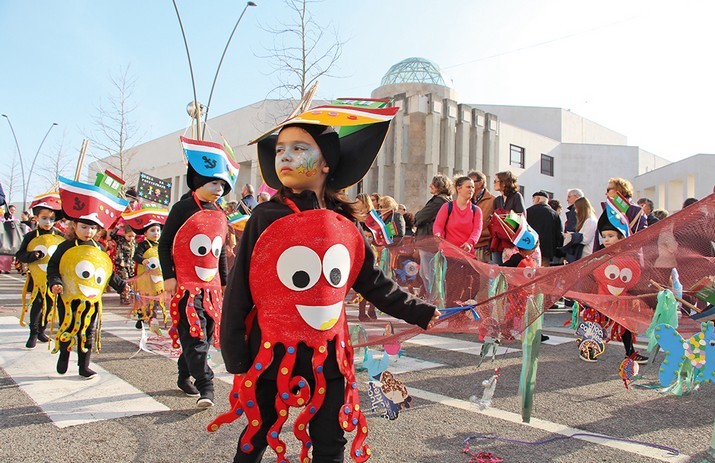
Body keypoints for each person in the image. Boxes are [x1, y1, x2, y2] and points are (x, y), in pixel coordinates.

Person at [218, 102, 439, 463]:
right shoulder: (265, 215)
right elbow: (241, 286)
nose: (285, 157)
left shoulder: (345, 224)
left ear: (325, 164)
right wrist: (235, 352)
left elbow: (375, 283)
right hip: (272, 351)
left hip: (328, 355)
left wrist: (425, 313)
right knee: (257, 433)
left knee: (330, 438)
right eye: (279, 150)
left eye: (298, 148)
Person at [159, 136, 234, 407]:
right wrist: (169, 276)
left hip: (212, 289)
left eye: (223, 185)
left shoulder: (220, 213)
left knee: (201, 334)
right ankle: (207, 386)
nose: (219, 188)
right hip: (186, 288)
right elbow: (165, 242)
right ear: (198, 181)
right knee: (195, 335)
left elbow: (220, 251)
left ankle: (183, 374)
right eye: (214, 182)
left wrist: (224, 283)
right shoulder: (182, 208)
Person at [48, 176, 130, 379]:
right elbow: (53, 267)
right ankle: (64, 355)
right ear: (74, 226)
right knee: (67, 326)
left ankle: (84, 366)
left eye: (93, 228)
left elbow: (106, 272)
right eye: (84, 227)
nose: (88, 231)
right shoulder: (65, 246)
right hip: (68, 297)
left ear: (98, 230)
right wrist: (55, 283)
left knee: (88, 330)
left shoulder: (99, 248)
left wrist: (121, 286)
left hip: (91, 300)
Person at [592, 203, 648, 364]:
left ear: (621, 237)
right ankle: (590, 349)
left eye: (611, 236)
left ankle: (629, 352)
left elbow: (634, 275)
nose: (606, 239)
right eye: (604, 236)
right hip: (603, 298)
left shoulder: (629, 255)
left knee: (625, 325)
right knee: (598, 325)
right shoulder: (601, 255)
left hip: (622, 299)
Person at [15, 192, 65, 348]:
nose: (48, 222)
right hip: (37, 279)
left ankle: (42, 330)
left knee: (50, 305)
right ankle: (33, 333)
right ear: (36, 217)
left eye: (51, 218)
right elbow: (20, 254)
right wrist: (32, 255)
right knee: (36, 305)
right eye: (44, 218)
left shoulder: (60, 236)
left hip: (53, 279)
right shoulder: (30, 236)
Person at [432, 176, 482, 306]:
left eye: (472, 187)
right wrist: (438, 234)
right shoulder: (447, 207)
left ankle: (460, 311)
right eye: (468, 187)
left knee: (473, 285)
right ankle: (452, 314)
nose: (471, 190)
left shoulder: (477, 210)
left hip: (468, 256)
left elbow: (477, 230)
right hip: (450, 254)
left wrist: (470, 242)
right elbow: (438, 225)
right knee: (453, 286)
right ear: (458, 188)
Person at [126, 205, 169, 329]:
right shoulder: (143, 245)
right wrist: (143, 260)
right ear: (145, 233)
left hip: (158, 277)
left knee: (156, 298)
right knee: (143, 298)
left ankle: (153, 317)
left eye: (157, 230)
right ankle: (141, 317)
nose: (156, 233)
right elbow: (136, 256)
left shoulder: (162, 245)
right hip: (144, 277)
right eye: (152, 230)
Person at [414, 174, 453, 294]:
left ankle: (434, 300)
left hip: (429, 243)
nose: (430, 186)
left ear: (439, 186)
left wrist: (417, 216)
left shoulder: (438, 201)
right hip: (431, 243)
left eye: (433, 184)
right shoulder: (445, 201)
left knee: (429, 274)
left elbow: (419, 217)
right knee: (427, 273)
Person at [594, 177, 647, 252]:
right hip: (608, 257)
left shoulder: (636, 211)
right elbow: (598, 240)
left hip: (628, 257)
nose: (606, 193)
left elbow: (643, 236)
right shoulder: (608, 208)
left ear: (619, 190)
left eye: (608, 190)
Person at [489, 171, 526, 264]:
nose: (494, 183)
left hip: (512, 241)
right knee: (497, 270)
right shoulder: (497, 200)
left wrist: (505, 216)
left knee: (510, 270)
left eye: (496, 181)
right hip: (498, 240)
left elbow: (521, 218)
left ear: (504, 182)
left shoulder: (516, 196)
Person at [526, 191, 562, 267]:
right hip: (546, 251)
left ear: (537, 199)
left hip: (529, 249)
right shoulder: (554, 214)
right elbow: (559, 235)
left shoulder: (528, 211)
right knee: (543, 274)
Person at [467, 170, 495, 263]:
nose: (468, 185)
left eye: (471, 182)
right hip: (468, 245)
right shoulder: (466, 200)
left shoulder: (492, 200)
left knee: (484, 276)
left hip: (484, 246)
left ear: (480, 183)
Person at [561, 196, 597, 261]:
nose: (575, 210)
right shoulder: (588, 220)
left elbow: (586, 239)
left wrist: (571, 236)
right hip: (584, 253)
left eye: (576, 208)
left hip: (586, 254)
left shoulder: (590, 221)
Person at [111, 224, 137, 305]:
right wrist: (117, 228)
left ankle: (130, 296)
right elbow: (112, 235)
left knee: (131, 281)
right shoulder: (120, 240)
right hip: (121, 264)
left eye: (133, 236)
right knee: (124, 279)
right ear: (125, 234)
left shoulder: (134, 243)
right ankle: (124, 297)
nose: (131, 238)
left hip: (131, 264)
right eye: (129, 236)